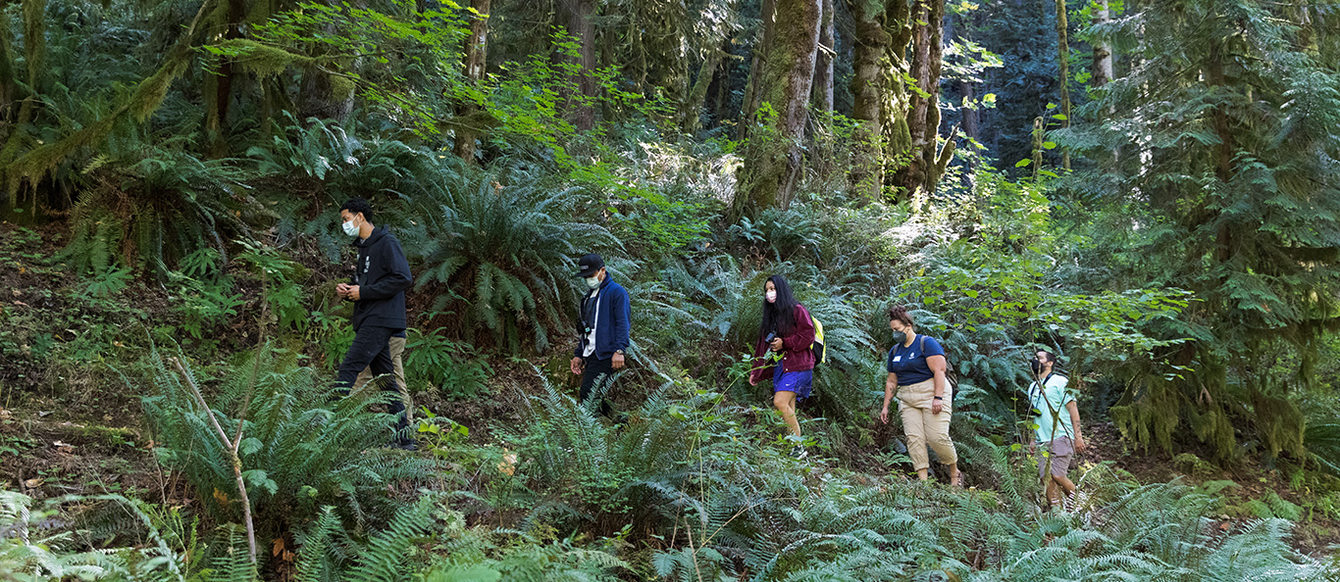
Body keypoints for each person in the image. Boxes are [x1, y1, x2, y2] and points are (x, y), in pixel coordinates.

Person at [334, 198, 415, 449]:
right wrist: (348, 289)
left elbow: (403, 277)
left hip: (382, 321)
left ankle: (326, 427)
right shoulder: (364, 248)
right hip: (370, 318)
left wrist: (364, 293)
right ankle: (405, 440)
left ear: (360, 216)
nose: (345, 225)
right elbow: (366, 284)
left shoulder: (387, 243)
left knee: (348, 369)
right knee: (386, 381)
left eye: (346, 219)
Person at [880, 305, 961, 486]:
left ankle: (954, 471)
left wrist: (938, 398)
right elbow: (891, 381)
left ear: (908, 326)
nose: (895, 334)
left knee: (936, 437)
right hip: (907, 397)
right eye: (892, 330)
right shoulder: (895, 351)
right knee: (914, 438)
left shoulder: (926, 343)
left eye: (897, 330)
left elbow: (939, 371)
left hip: (931, 391)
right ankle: (924, 482)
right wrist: (886, 405)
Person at [748, 275, 815, 458]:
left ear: (781, 290)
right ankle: (795, 452)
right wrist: (756, 371)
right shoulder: (772, 316)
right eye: (767, 290)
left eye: (773, 289)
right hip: (781, 366)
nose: (769, 293)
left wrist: (784, 342)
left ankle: (798, 447)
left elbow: (808, 335)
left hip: (799, 365)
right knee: (788, 406)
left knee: (779, 402)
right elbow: (762, 345)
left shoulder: (797, 310)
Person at [569, 253, 630, 418]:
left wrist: (619, 350)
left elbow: (623, 323)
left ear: (602, 270)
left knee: (588, 392)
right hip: (590, 352)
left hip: (606, 353)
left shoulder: (617, 293)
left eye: (591, 275)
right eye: (585, 277)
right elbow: (586, 330)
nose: (589, 279)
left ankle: (591, 435)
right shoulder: (587, 298)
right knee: (594, 394)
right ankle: (624, 422)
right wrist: (579, 354)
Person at [1027, 349, 1085, 509]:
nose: (1035, 360)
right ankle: (1058, 515)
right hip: (1041, 440)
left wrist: (1078, 436)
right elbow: (1034, 415)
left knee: (1058, 475)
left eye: (1039, 358)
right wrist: (1033, 439)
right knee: (1047, 479)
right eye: (1034, 357)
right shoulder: (1032, 387)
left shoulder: (1060, 382)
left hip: (1061, 436)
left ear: (1050, 363)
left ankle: (1081, 505)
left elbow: (1073, 409)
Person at [353, 329, 411, 425]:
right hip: (397, 335)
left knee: (364, 379)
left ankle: (345, 425)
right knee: (397, 382)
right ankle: (407, 429)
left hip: (383, 334)